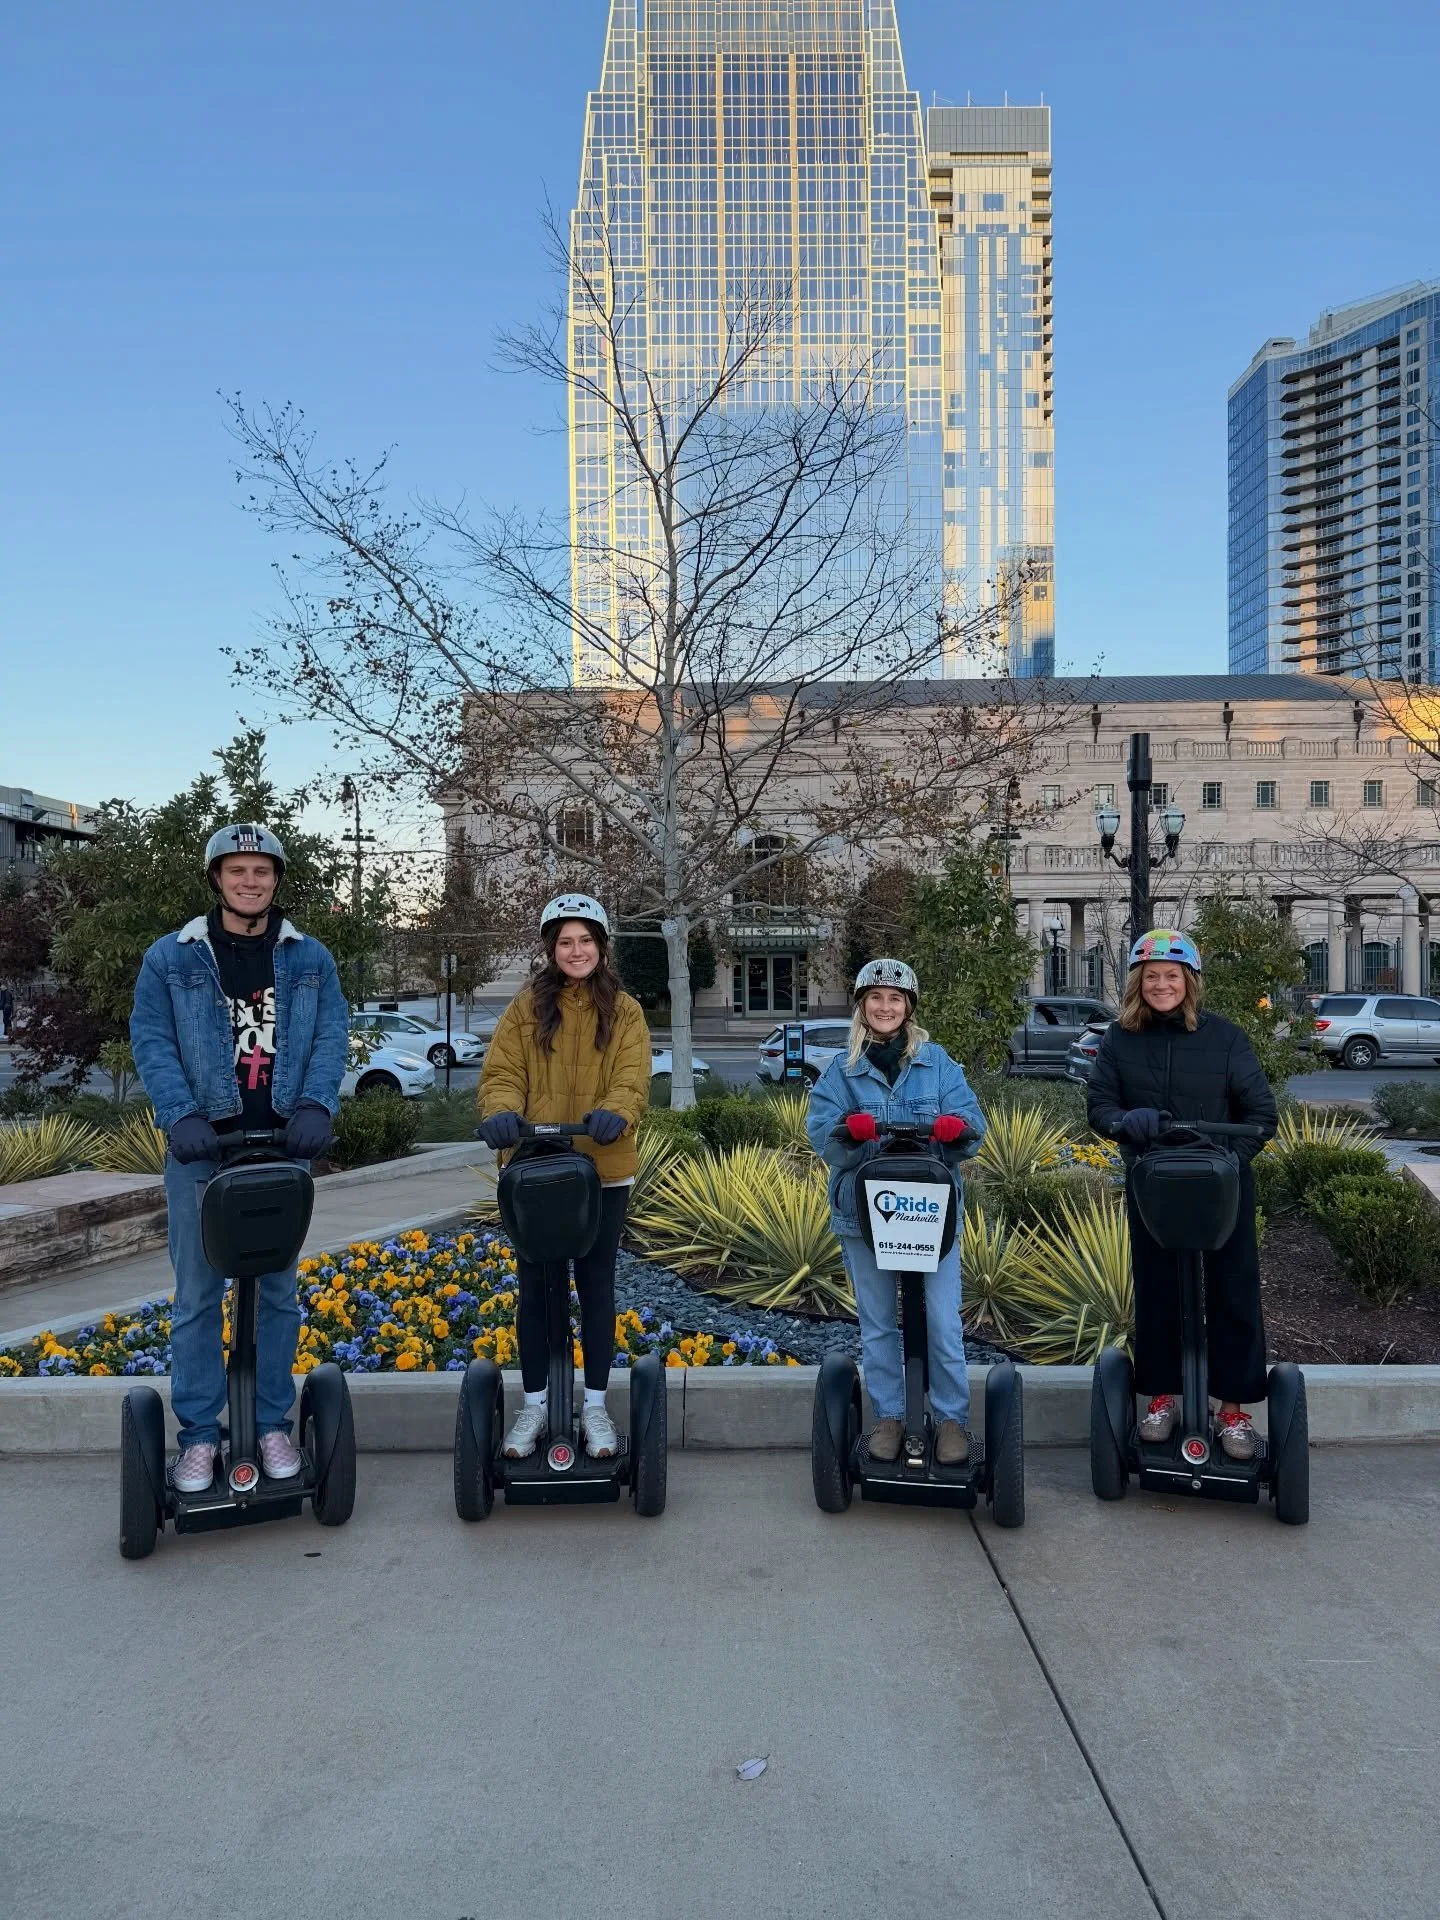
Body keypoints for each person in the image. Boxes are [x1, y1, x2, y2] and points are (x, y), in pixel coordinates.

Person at [130, 824, 348, 1493]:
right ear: (217, 879)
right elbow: (152, 1039)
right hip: (204, 1150)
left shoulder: (310, 958)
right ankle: (200, 1436)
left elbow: (332, 1035)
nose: (250, 882)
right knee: (198, 1297)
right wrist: (181, 1115)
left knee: (278, 1293)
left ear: (276, 880)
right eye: (237, 871)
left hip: (283, 1147)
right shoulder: (171, 958)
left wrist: (316, 1105)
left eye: (261, 871)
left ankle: (272, 1424)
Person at [1087, 928, 1278, 1461]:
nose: (1162, 985)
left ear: (1189, 981)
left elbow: (1261, 1116)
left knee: (1233, 1293)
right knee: (1157, 1292)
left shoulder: (1226, 1038)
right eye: (1152, 976)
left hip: (1220, 1188)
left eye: (1172, 975)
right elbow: (1100, 1106)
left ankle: (1232, 1410)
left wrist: (1227, 1162)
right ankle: (1161, 1399)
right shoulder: (1120, 1039)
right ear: (1138, 983)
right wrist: (1126, 1122)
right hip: (1155, 1185)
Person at [477, 893, 650, 1461]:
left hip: (602, 1171)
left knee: (596, 1286)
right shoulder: (525, 1008)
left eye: (586, 940)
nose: (577, 951)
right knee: (536, 1290)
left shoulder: (625, 1011)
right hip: (535, 1171)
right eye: (566, 942)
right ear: (552, 949)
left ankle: (595, 1405)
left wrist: (617, 1111)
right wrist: (501, 1112)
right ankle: (534, 1403)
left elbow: (632, 1076)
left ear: (602, 946)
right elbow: (503, 1073)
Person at [806, 959, 986, 1465]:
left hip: (931, 1214)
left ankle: (950, 1420)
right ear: (862, 1005)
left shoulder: (937, 1063)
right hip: (866, 1217)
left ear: (908, 1008)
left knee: (943, 1322)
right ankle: (889, 1416)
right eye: (876, 998)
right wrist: (848, 1131)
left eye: (895, 999)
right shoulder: (840, 1072)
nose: (885, 1007)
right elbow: (822, 1136)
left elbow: (973, 1126)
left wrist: (955, 1130)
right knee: (879, 1323)